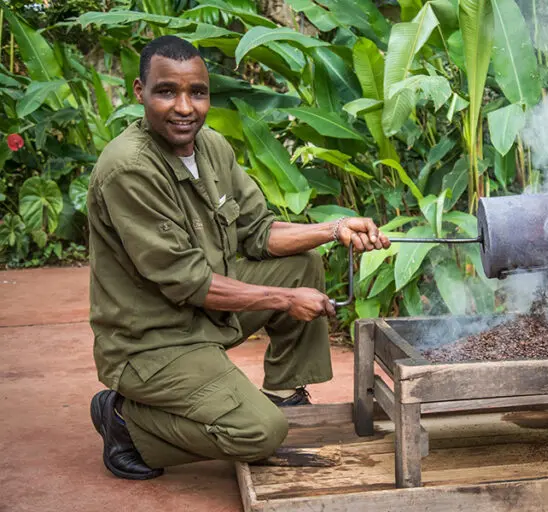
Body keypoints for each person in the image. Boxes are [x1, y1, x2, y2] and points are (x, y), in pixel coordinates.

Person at [87, 35, 390, 481]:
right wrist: (285, 300)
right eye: (167, 91)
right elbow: (189, 281)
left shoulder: (211, 147)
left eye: (197, 93)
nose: (184, 107)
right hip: (152, 340)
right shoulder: (129, 168)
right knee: (261, 434)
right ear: (140, 91)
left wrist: (335, 229)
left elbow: (258, 231)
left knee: (303, 263)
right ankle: (125, 422)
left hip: (202, 315)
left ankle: (284, 396)